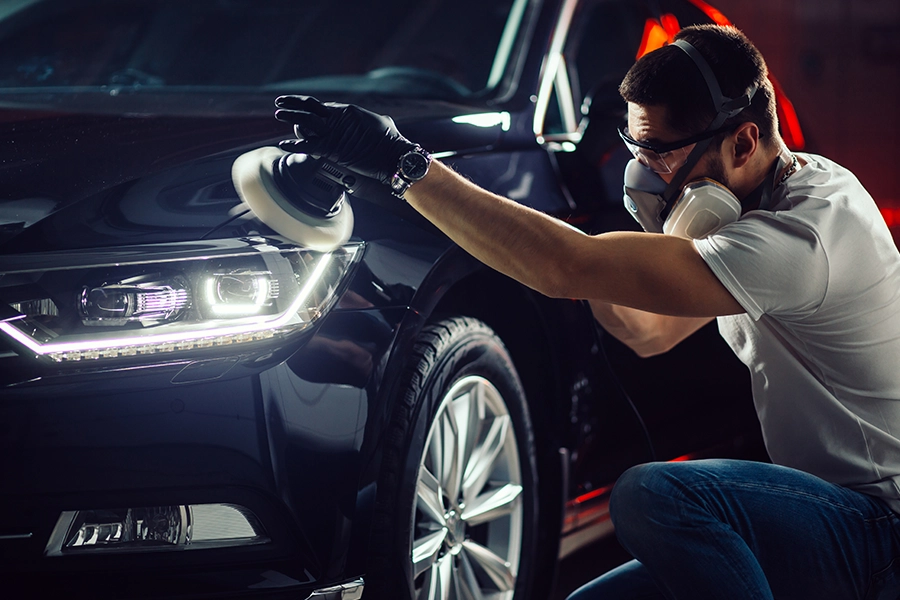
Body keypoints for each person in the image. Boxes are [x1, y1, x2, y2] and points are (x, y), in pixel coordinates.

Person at [273, 24, 900, 600]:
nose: (645, 174)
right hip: (823, 514)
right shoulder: (765, 200)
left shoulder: (804, 238)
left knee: (654, 494)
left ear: (742, 141)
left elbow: (562, 267)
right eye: (637, 148)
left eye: (661, 155)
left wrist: (400, 165)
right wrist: (612, 247)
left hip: (878, 532)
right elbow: (648, 332)